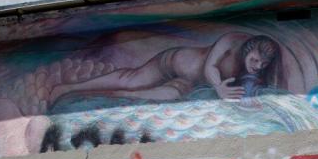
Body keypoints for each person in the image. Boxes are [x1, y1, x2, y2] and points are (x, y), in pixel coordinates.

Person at [47, 33, 283, 104]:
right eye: (255, 60)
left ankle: (89, 96)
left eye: (262, 65)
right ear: (249, 49)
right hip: (172, 63)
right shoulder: (232, 41)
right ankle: (69, 87)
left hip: (188, 84)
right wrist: (219, 88)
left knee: (138, 95)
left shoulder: (252, 71)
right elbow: (211, 64)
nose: (257, 66)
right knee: (132, 80)